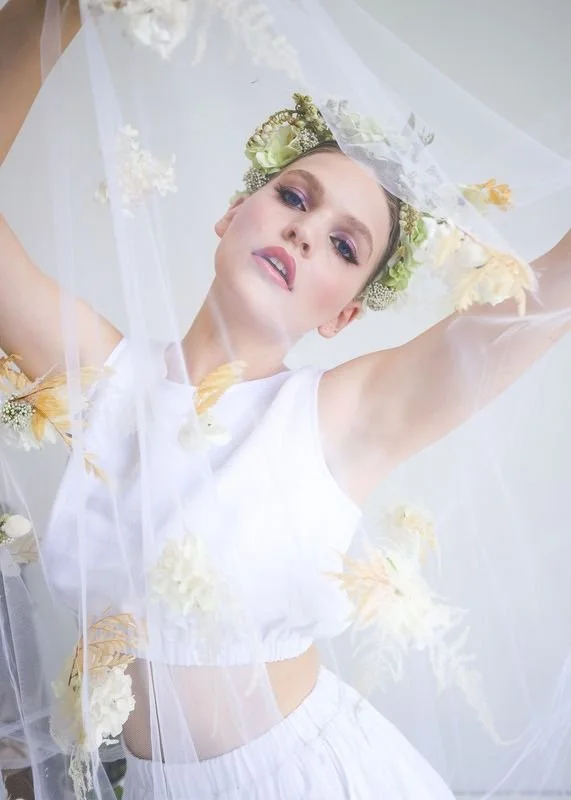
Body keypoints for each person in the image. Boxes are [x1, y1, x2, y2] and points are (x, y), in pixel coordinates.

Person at [0, 3, 570, 799]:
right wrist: (50, 14)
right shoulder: (103, 379)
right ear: (233, 214)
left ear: (341, 316)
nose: (305, 233)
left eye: (344, 245)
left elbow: (541, 302)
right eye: (294, 199)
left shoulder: (343, 413)